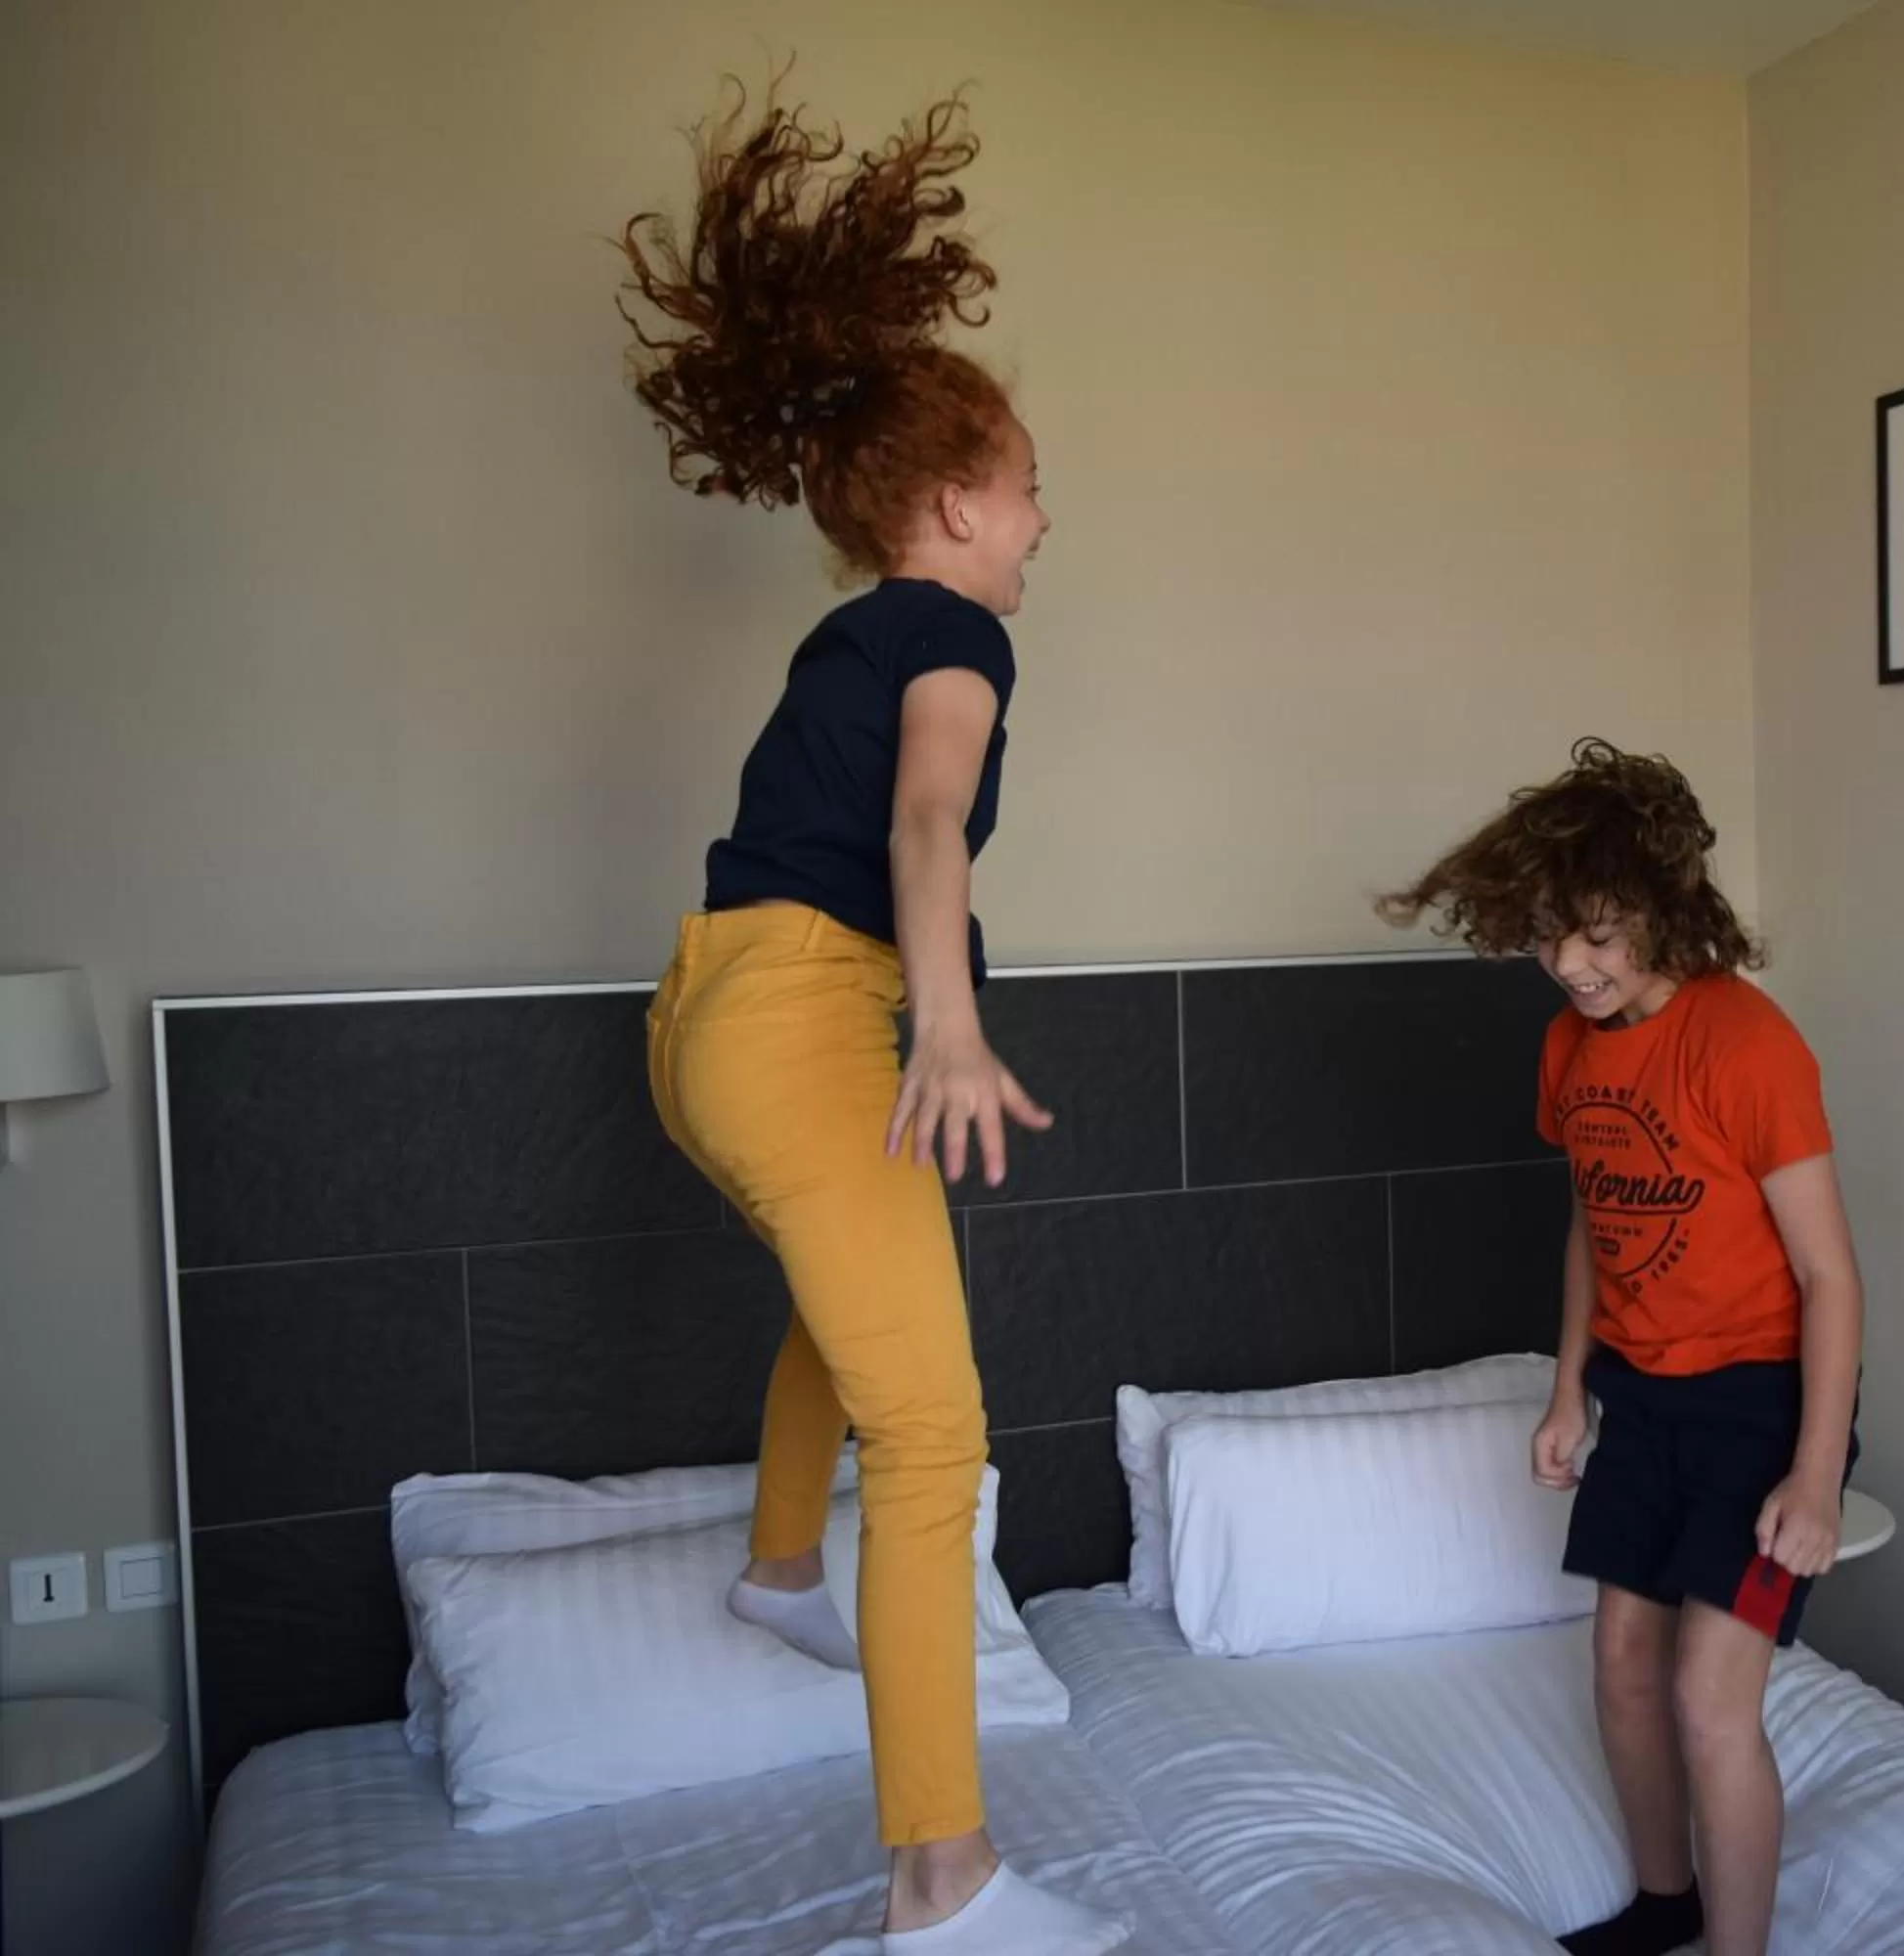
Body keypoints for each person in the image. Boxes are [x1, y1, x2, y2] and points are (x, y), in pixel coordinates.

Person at [620, 84, 1125, 1956]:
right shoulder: (959, 637)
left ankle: (772, 1567)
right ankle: (943, 1883)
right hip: (811, 1008)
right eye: (1033, 480)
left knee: (854, 1302)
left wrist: (920, 1007)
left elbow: (878, 832)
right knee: (936, 1437)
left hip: (701, 1018)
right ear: (952, 505)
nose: (1046, 513)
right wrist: (947, 1025)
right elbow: (928, 821)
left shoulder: (837, 640)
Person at [1381, 739, 1867, 1956]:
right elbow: (1598, 1225)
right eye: (1549, 935)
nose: (1571, 965)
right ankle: (1666, 1906)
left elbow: (1829, 1274)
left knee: (1712, 1697)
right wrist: (1567, 1393)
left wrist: (1814, 1476)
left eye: (1597, 933)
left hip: (1761, 1402)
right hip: (1642, 1400)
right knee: (1619, 1660)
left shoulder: (1749, 1043)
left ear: (1661, 906)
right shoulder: (1570, 1048)